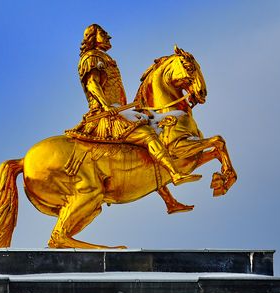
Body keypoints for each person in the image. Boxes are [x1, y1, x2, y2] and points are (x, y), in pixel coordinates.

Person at [66, 24, 201, 191]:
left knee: (147, 143)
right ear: (93, 38)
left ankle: (169, 200)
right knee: (148, 136)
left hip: (119, 110)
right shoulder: (91, 58)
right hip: (106, 114)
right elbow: (92, 84)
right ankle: (175, 174)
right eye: (103, 33)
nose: (109, 36)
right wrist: (106, 106)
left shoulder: (104, 58)